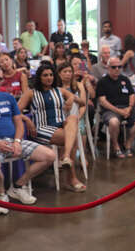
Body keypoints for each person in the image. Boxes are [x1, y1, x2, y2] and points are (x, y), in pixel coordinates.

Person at [0, 65, 56, 215]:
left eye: (0, 78)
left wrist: (17, 142)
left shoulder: (8, 97)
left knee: (49, 156)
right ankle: (1, 195)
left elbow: (19, 123)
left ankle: (18, 186)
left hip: (12, 141)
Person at [18, 64, 85, 192]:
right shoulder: (31, 93)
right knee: (71, 138)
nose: (49, 78)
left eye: (51, 75)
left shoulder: (60, 90)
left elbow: (82, 103)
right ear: (39, 77)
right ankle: (71, 177)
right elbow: (15, 111)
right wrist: (27, 120)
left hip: (60, 124)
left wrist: (71, 98)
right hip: (42, 128)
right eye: (45, 75)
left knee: (73, 119)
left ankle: (65, 156)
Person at [96, 57, 135, 158]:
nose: (117, 69)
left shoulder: (125, 79)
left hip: (127, 108)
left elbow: (132, 95)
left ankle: (128, 142)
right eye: (114, 67)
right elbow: (102, 101)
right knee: (114, 122)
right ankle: (115, 145)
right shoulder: (102, 81)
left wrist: (130, 108)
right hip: (110, 110)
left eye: (119, 67)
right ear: (108, 67)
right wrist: (118, 111)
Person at [56, 62, 91, 161]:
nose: (68, 74)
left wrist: (79, 117)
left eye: (70, 71)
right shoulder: (56, 88)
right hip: (61, 117)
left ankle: (81, 155)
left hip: (78, 115)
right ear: (59, 73)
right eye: (65, 71)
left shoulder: (78, 85)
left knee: (79, 127)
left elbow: (83, 104)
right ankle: (62, 155)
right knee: (63, 128)